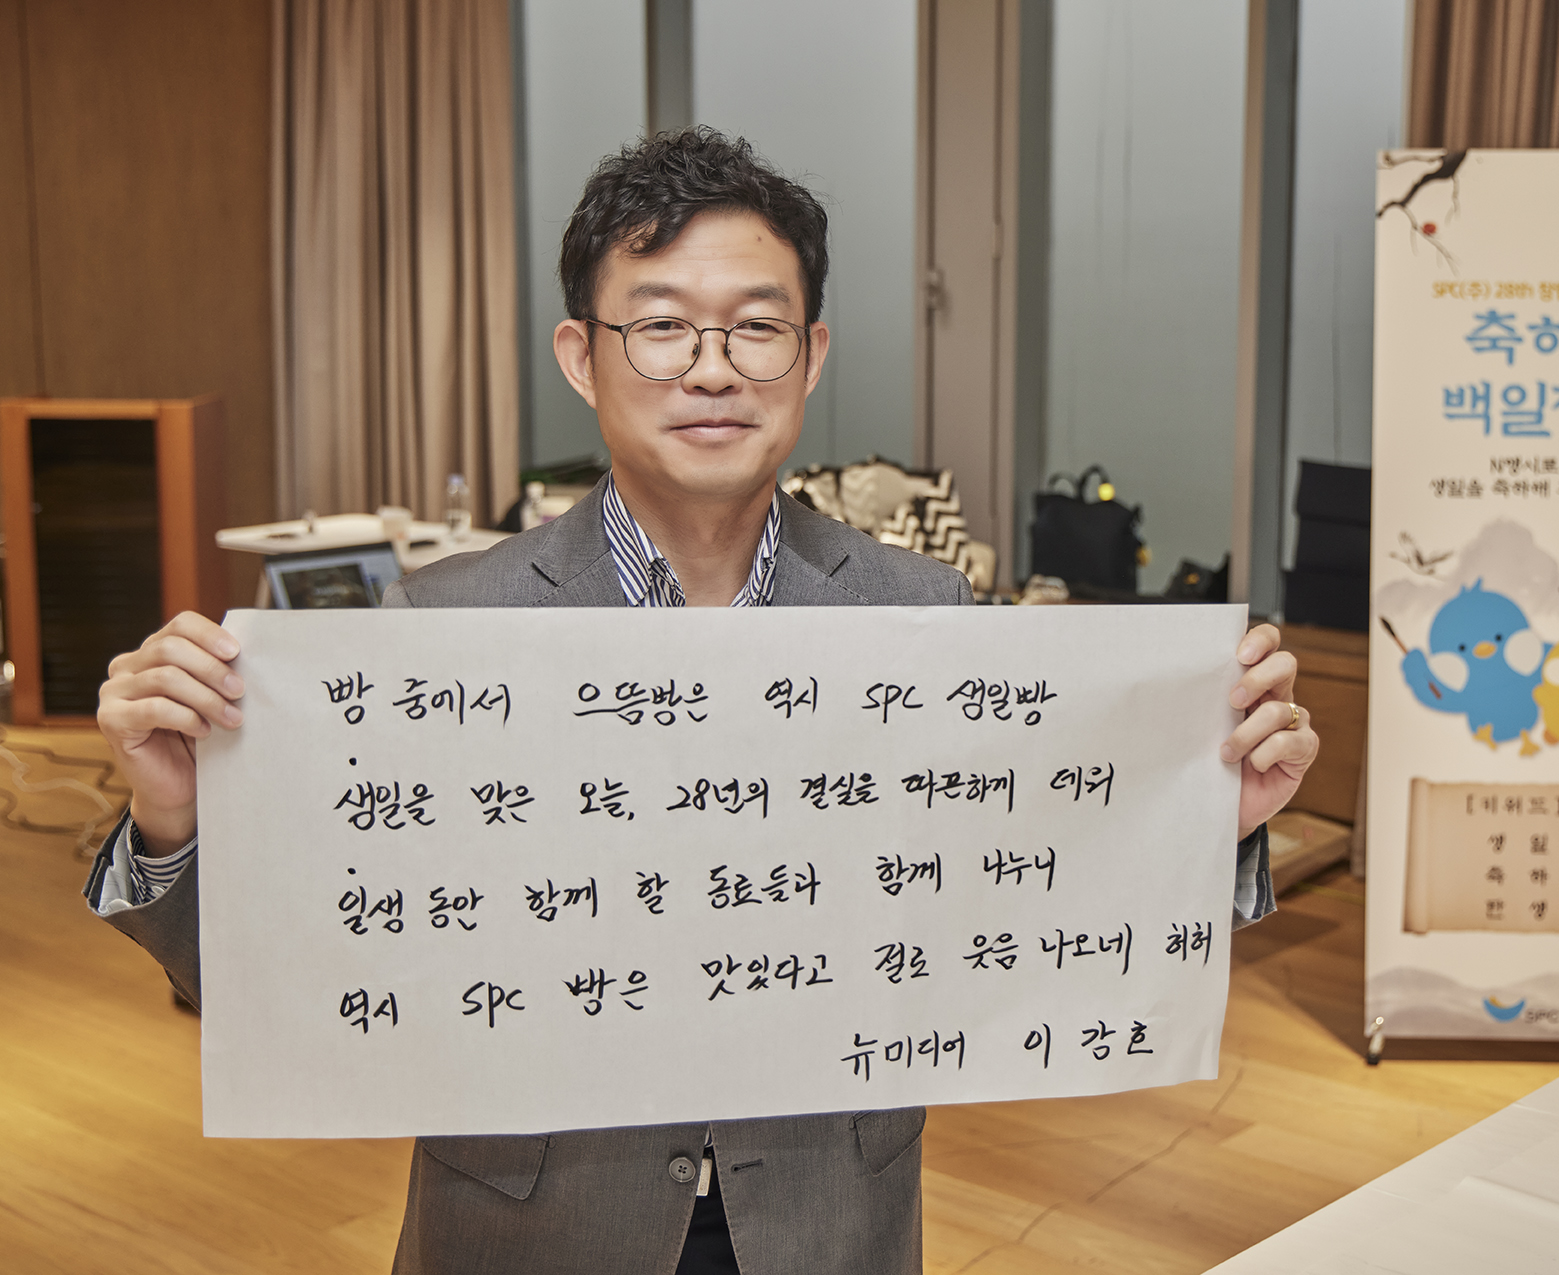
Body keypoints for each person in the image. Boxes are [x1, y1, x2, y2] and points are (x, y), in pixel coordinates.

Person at [89, 128, 1320, 1275]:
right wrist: (176, 822)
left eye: (757, 328)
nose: (713, 370)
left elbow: (1011, 902)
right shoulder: (442, 629)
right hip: (531, 1229)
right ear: (582, 357)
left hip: (825, 1224)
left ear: (811, 355)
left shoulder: (922, 613)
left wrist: (1205, 825)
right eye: (662, 328)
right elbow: (267, 984)